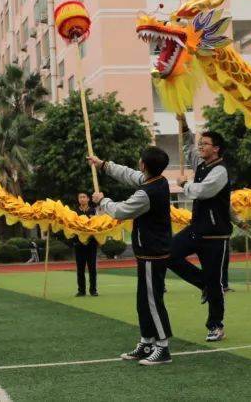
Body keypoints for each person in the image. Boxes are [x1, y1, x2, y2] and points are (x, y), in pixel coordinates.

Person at [89, 146, 174, 366]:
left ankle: (162, 347)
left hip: (153, 252)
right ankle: (147, 341)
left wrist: (102, 201)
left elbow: (121, 211)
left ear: (144, 165)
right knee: (143, 300)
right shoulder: (156, 180)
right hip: (148, 251)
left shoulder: (147, 192)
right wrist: (103, 165)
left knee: (153, 301)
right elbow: (128, 174)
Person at [169, 127, 231, 342]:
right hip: (197, 229)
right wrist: (183, 124)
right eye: (200, 143)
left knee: (215, 282)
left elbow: (204, 191)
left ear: (216, 148)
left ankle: (216, 325)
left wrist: (185, 184)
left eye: (205, 144)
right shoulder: (202, 165)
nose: (200, 147)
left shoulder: (220, 171)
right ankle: (202, 283)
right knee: (168, 253)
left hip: (215, 235)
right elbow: (188, 147)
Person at [72, 192, 99, 297]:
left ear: (88, 199)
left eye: (84, 197)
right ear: (78, 199)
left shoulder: (93, 211)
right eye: (80, 197)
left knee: (92, 267)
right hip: (79, 243)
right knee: (80, 268)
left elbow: (96, 224)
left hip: (91, 243)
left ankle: (93, 290)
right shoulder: (75, 212)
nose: (82, 199)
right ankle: (81, 290)